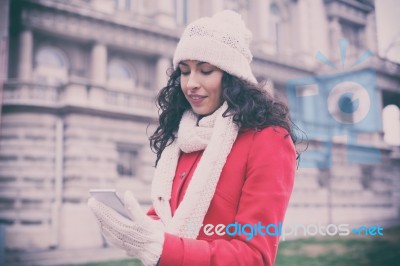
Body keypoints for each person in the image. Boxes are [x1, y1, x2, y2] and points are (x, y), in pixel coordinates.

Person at [88, 10, 297, 266]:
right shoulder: (182, 135)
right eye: (185, 71)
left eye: (206, 70)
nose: (191, 84)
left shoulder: (268, 139)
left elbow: (255, 256)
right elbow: (169, 219)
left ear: (232, 77)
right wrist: (133, 226)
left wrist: (160, 248)